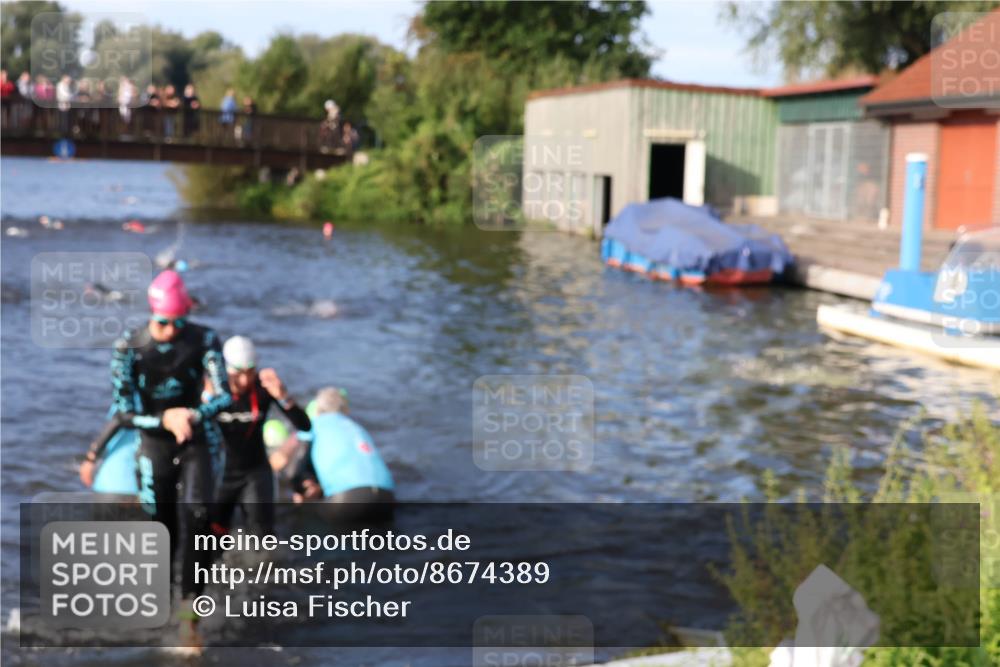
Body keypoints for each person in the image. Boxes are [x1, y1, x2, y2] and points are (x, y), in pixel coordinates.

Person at [79, 269, 231, 651]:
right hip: (153, 439)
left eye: (178, 322)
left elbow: (224, 396)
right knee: (161, 527)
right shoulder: (129, 346)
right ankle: (159, 599)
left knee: (198, 516)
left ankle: (189, 613)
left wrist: (193, 414)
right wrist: (164, 418)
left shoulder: (205, 338)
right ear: (152, 315)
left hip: (196, 436)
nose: (170, 331)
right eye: (163, 322)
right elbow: (123, 410)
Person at [211, 336, 311, 537]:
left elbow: (304, 426)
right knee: (213, 536)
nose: (245, 380)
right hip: (220, 474)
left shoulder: (263, 388)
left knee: (263, 538)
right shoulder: (212, 391)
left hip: (255, 472)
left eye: (250, 372)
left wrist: (283, 396)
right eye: (238, 374)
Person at [292, 387, 394, 506]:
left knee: (305, 504)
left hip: (346, 497)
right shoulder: (357, 427)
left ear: (317, 408)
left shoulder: (311, 425)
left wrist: (301, 491)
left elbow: (298, 467)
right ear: (345, 408)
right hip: (387, 495)